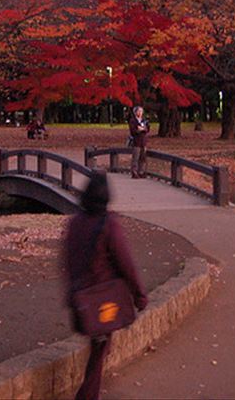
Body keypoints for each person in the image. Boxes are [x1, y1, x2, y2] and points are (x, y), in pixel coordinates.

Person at [64, 171, 147, 400]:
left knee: (100, 347)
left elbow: (68, 261)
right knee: (100, 349)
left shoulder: (74, 223)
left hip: (81, 298)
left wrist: (71, 293)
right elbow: (125, 262)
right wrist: (140, 295)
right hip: (102, 299)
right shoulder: (109, 225)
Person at [128, 106, 149, 178]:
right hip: (136, 142)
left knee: (143, 158)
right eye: (139, 111)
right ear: (135, 112)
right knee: (136, 157)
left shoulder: (144, 120)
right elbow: (132, 131)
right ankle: (134, 172)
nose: (140, 113)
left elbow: (147, 129)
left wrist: (143, 129)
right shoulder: (132, 121)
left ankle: (141, 171)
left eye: (141, 111)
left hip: (143, 141)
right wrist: (138, 130)